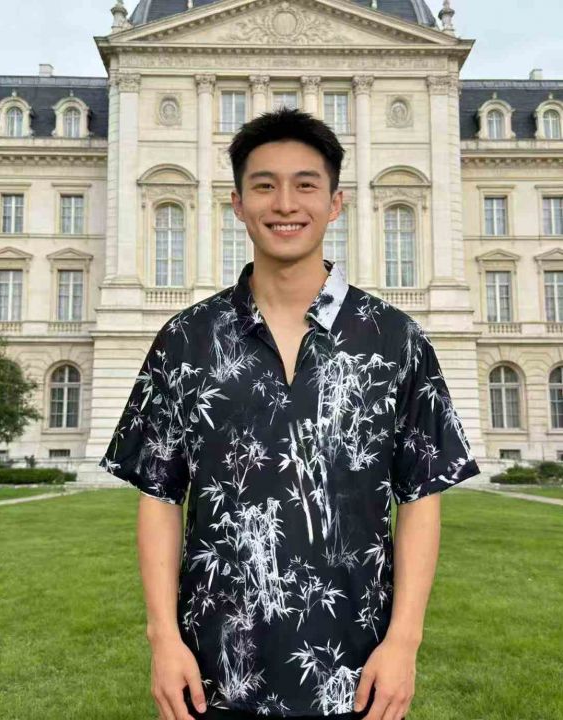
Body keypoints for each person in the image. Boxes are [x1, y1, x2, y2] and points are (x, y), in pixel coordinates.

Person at [100, 107, 481, 720]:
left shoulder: (396, 339)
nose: (284, 204)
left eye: (305, 185)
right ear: (237, 203)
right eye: (264, 185)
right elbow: (159, 497)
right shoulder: (185, 339)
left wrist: (404, 643)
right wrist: (162, 639)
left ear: (335, 204)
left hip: (357, 677)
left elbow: (419, 498)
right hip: (212, 674)